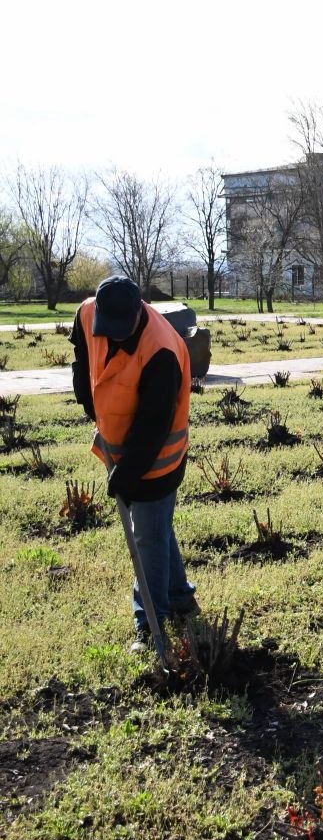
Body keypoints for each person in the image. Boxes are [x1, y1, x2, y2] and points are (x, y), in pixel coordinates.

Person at [70, 276, 195, 651]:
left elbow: (153, 426)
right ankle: (179, 595)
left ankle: (150, 621)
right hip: (122, 445)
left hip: (159, 458)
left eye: (121, 333)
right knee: (157, 527)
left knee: (147, 536)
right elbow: (81, 345)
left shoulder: (161, 351)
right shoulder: (92, 312)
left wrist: (126, 474)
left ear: (138, 314)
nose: (113, 337)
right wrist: (84, 391)